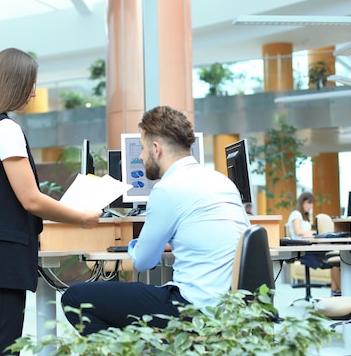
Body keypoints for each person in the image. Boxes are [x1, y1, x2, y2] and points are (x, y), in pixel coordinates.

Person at [61, 105, 250, 335]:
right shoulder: (222, 182)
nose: (140, 156)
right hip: (231, 306)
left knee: (75, 298)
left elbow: (143, 262)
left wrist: (134, 245)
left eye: (141, 149)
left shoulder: (168, 189)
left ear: (156, 148)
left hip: (193, 306)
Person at [0, 47, 102, 355]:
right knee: (2, 348)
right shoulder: (6, 129)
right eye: (30, 82)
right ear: (12, 84)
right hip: (3, 257)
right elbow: (31, 200)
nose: (33, 92)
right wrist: (80, 216)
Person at [287, 192, 341, 295]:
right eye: (309, 203)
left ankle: (336, 290)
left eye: (312, 204)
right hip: (301, 249)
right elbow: (298, 231)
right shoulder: (296, 214)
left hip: (307, 246)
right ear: (302, 202)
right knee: (333, 257)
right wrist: (314, 233)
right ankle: (340, 291)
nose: (311, 206)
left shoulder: (305, 216)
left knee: (334, 256)